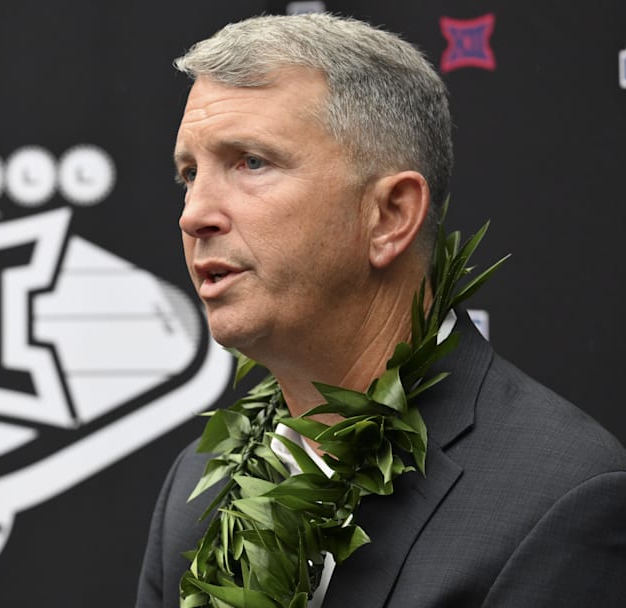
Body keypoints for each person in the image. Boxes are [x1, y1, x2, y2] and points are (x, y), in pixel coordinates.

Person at [136, 13, 626, 608]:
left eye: (251, 162)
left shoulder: (558, 498)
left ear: (390, 216)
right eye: (189, 174)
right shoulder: (196, 483)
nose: (193, 215)